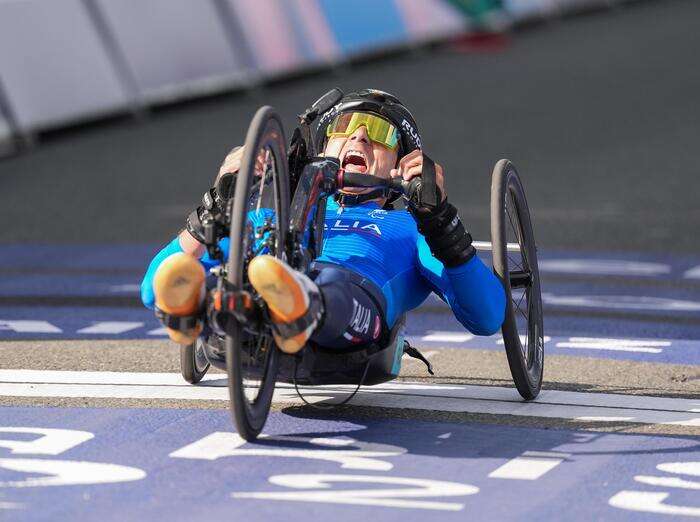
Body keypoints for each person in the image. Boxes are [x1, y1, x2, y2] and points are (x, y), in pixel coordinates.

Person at [141, 89, 505, 354]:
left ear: (399, 166)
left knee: (330, 281)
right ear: (324, 150)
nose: (360, 135)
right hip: (261, 288)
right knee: (217, 268)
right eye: (346, 126)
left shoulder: (411, 229)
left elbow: (487, 317)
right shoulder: (267, 219)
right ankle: (200, 306)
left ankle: (299, 302)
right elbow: (149, 287)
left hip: (351, 305)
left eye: (380, 133)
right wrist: (219, 202)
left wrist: (439, 218)